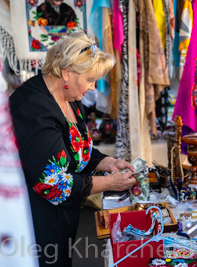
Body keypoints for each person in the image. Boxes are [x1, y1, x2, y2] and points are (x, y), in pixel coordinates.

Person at [9, 32, 137, 267]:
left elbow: (79, 150)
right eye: (90, 79)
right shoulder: (33, 108)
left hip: (62, 216)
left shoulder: (68, 96)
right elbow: (53, 185)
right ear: (67, 72)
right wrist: (109, 183)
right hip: (36, 219)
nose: (92, 87)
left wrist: (108, 162)